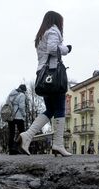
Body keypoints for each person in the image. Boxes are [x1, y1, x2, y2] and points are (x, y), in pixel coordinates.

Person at [17, 11, 72, 157]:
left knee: (50, 109)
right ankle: (58, 145)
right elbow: (53, 49)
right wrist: (66, 49)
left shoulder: (41, 34)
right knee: (60, 108)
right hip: (54, 74)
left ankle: (27, 136)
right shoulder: (54, 30)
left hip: (42, 74)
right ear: (56, 21)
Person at [6, 84, 28, 155]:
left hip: (10, 116)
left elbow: (7, 103)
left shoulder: (11, 93)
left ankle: (11, 149)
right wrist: (24, 114)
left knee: (11, 133)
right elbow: (21, 106)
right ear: (24, 90)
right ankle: (20, 147)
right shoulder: (22, 95)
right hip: (18, 116)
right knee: (22, 132)